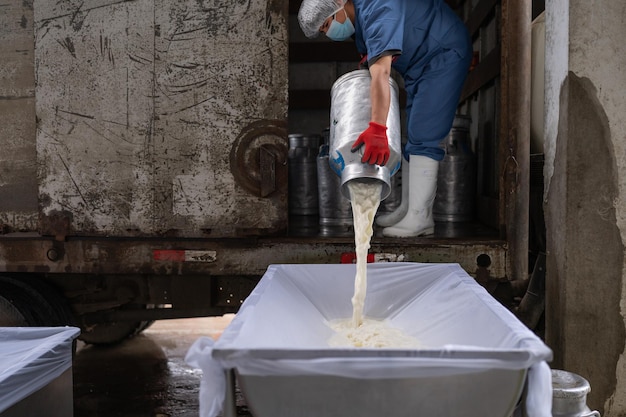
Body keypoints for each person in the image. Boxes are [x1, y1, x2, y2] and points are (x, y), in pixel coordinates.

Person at [298, 0, 472, 237]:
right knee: (415, 132)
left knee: (425, 132)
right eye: (323, 31)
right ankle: (407, 210)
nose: (329, 34)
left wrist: (378, 128)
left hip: (443, 53)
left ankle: (421, 217)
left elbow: (381, 71)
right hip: (420, 64)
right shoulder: (360, 20)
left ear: (339, 3)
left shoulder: (377, 8)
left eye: (327, 24)